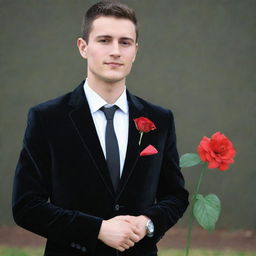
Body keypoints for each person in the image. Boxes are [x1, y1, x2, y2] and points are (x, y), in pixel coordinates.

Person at [12, 1, 189, 256]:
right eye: (104, 40)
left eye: (125, 42)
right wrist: (97, 229)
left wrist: (147, 222)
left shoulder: (160, 119)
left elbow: (175, 195)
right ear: (83, 47)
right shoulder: (47, 118)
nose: (115, 51)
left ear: (135, 51)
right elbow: (26, 206)